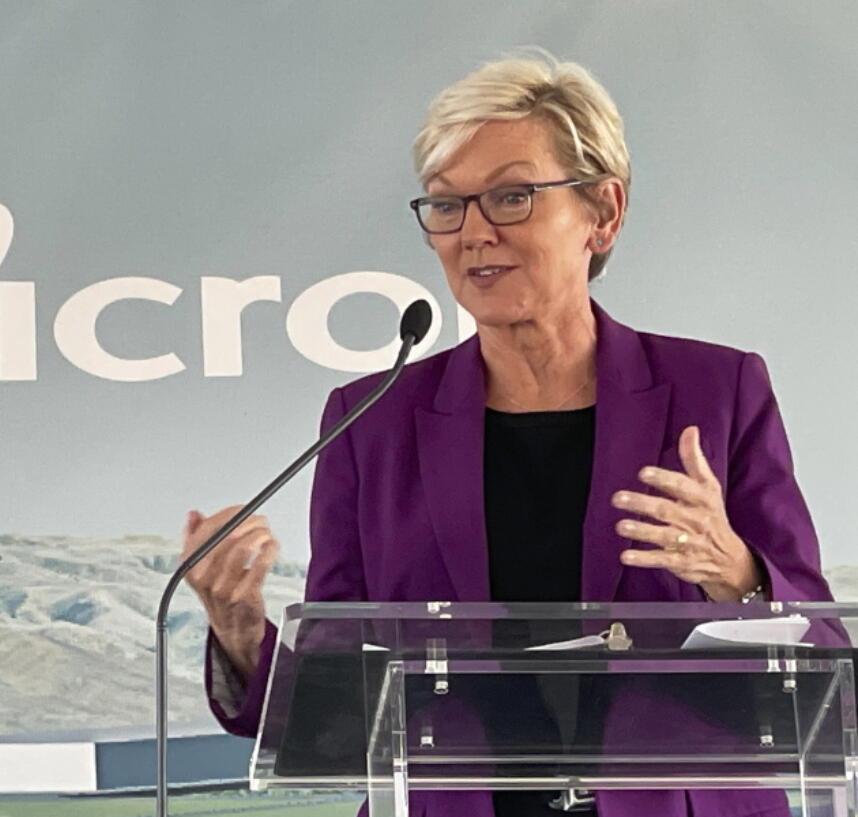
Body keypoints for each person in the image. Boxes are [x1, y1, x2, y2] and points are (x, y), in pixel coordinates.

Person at [181, 52, 832, 817]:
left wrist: (738, 574)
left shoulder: (716, 393)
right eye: (447, 206)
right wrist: (239, 631)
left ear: (604, 212)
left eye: (512, 196)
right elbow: (338, 716)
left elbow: (822, 665)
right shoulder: (373, 420)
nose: (474, 232)